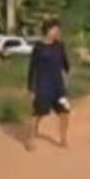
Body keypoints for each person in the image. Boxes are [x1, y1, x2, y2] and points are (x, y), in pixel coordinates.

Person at [27, 18, 71, 150]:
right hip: (43, 86)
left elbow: (65, 65)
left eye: (59, 30)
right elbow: (32, 68)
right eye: (55, 29)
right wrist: (31, 88)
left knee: (64, 113)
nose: (58, 32)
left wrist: (67, 78)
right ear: (48, 30)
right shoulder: (38, 47)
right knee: (38, 114)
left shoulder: (60, 46)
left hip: (58, 86)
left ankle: (63, 139)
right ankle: (31, 139)